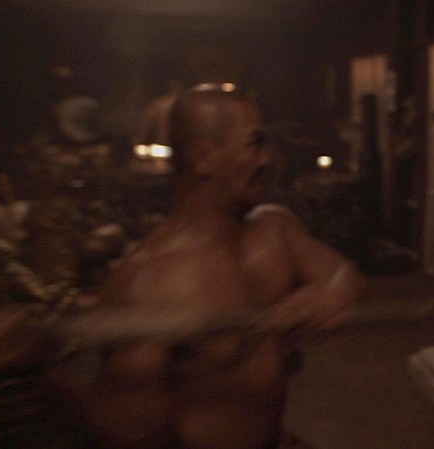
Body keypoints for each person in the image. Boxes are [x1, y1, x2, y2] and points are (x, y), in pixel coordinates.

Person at [58, 86, 364, 449]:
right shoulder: (150, 284)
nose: (267, 159)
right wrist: (58, 381)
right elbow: (129, 433)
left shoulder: (274, 229)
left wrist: (325, 295)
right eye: (254, 144)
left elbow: (343, 275)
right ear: (203, 158)